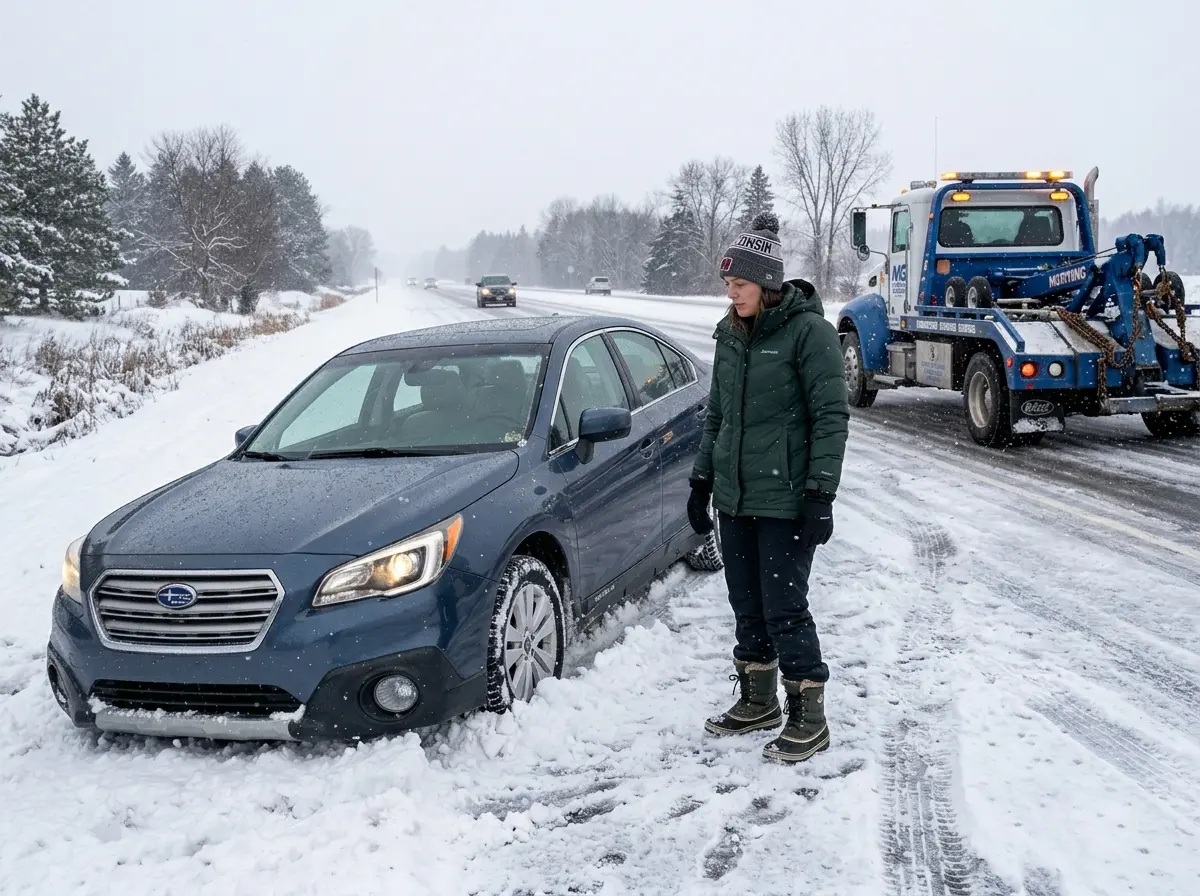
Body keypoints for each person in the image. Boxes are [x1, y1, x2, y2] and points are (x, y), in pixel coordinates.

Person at [687, 211, 849, 764]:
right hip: (735, 495)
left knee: (785, 606)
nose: (732, 296)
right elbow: (718, 416)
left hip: (785, 497)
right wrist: (701, 478)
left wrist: (819, 495)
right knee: (746, 603)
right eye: (728, 286)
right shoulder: (729, 334)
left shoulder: (810, 334)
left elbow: (831, 417)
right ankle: (758, 703)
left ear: (768, 284)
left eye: (741, 286)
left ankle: (810, 716)